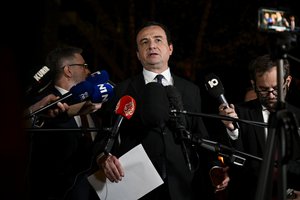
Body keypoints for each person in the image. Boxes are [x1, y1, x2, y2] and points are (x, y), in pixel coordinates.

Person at [93, 21, 229, 200]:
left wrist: (213, 167)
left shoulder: (190, 90)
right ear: (138, 54)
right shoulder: (121, 90)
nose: (152, 46)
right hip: (137, 187)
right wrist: (103, 157)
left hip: (184, 185)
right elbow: (104, 137)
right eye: (144, 42)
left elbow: (200, 134)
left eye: (158, 40)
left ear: (170, 48)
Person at [218, 54, 300, 200]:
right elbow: (231, 159)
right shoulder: (238, 113)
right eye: (263, 89)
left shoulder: (298, 116)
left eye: (276, 88)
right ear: (254, 84)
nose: (271, 95)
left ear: (287, 81)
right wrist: (231, 129)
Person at [27, 46, 102, 200]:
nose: (89, 71)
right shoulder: (43, 106)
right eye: (84, 66)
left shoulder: (91, 106)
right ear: (68, 70)